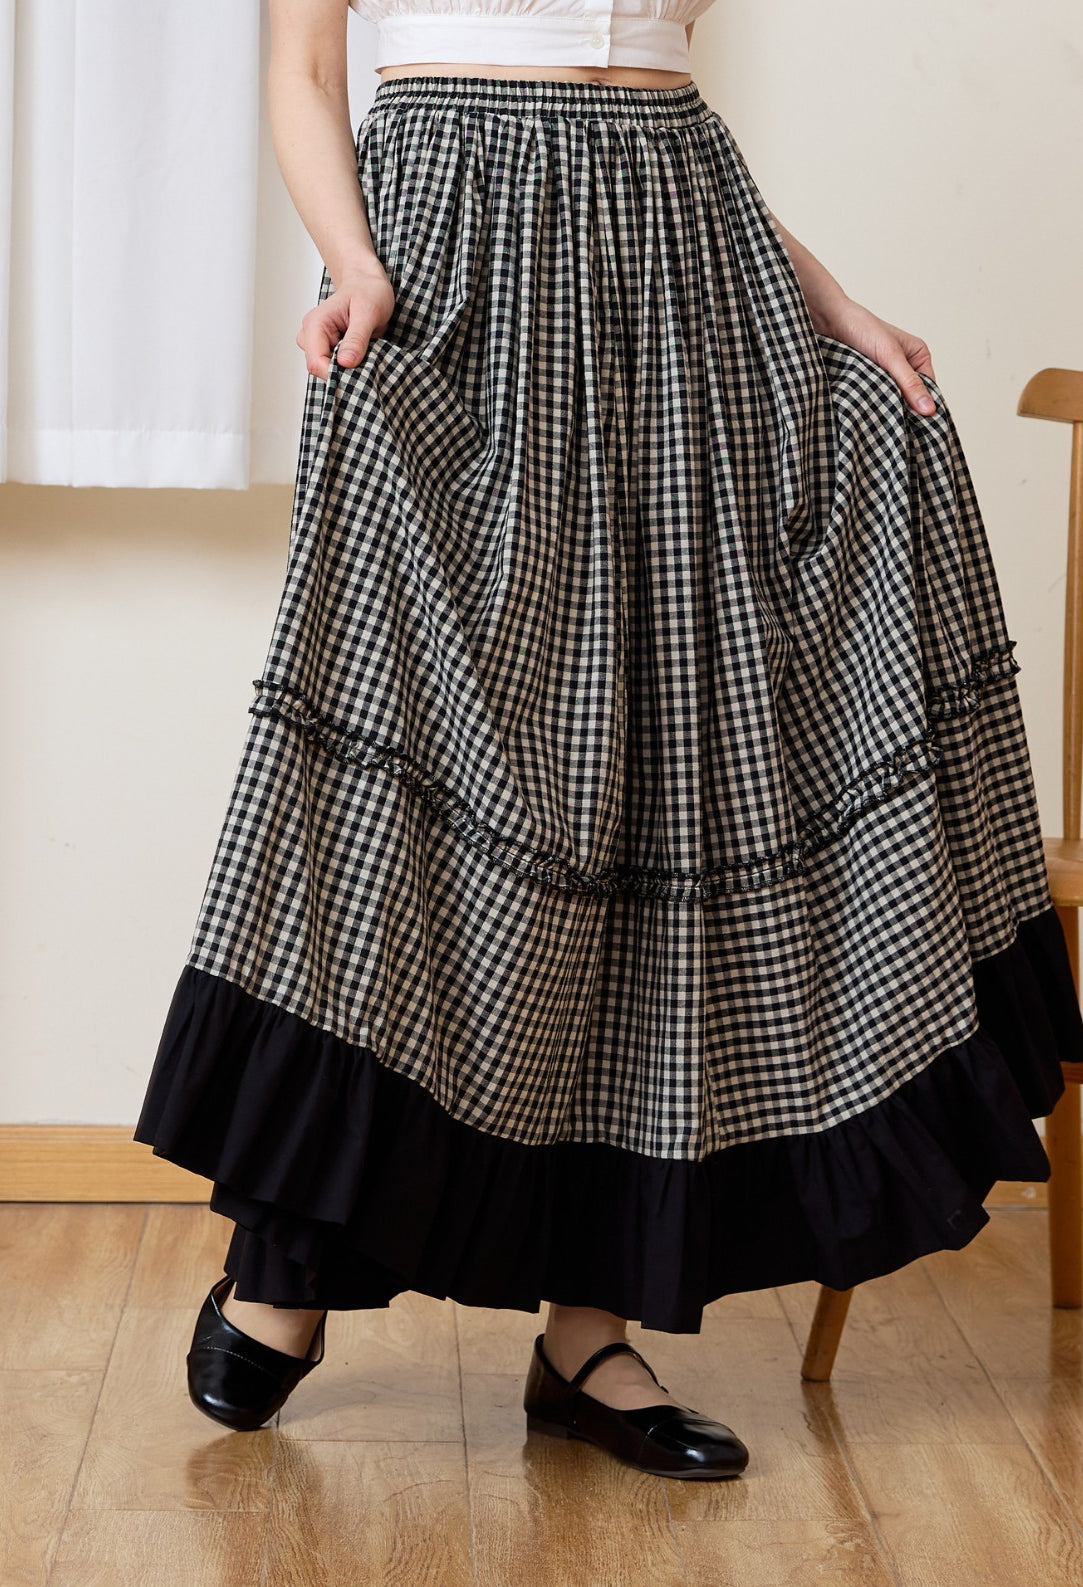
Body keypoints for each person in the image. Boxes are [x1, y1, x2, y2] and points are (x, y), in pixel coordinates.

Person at [134, 0, 1083, 1481]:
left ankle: (591, 1327)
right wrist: (363, 265)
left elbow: (658, 80)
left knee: (662, 764)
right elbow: (304, 69)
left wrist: (821, 295)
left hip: (683, 246)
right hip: (451, 253)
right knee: (407, 769)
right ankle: (292, 1256)